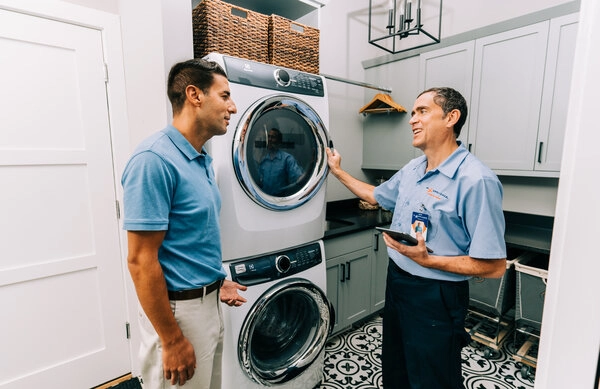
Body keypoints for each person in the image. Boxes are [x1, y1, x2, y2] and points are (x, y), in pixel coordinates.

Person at [326, 87, 507, 389]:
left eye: (422, 111)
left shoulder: (477, 181)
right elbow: (375, 196)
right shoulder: (413, 168)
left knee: (432, 378)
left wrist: (428, 260)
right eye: (412, 112)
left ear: (452, 117)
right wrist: (338, 172)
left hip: (435, 295)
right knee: (396, 367)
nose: (412, 119)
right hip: (397, 282)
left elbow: (494, 266)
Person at [121, 58, 247, 389]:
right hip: (176, 313)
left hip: (208, 306)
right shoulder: (153, 160)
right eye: (225, 96)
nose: (232, 107)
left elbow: (191, 238)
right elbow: (139, 261)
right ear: (195, 95)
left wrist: (216, 282)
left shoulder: (201, 159)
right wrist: (172, 339)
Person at [258, 128, 304, 196]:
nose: (269, 139)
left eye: (273, 137)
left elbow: (299, 179)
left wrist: (310, 169)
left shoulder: (287, 159)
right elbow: (258, 181)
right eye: (269, 137)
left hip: (281, 201)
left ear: (279, 141)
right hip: (263, 199)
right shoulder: (263, 160)